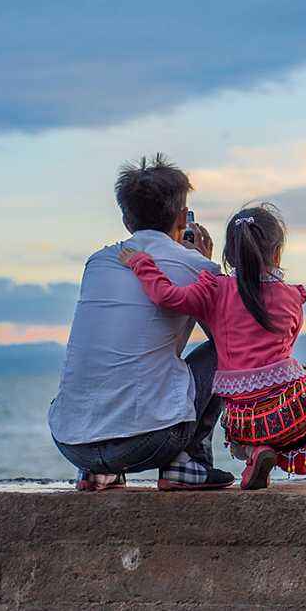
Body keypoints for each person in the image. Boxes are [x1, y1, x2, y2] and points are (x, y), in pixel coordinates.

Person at [118, 202, 306, 490]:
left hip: (245, 418)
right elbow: (285, 343)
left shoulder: (215, 290)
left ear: (229, 254)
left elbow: (168, 297)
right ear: (277, 252)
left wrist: (143, 264)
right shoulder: (292, 297)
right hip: (296, 411)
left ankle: (254, 452)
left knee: (245, 413)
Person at [48, 154, 235, 491]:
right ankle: (190, 462)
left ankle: (97, 470)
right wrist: (205, 264)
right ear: (182, 217)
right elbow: (229, 340)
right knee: (226, 350)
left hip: (71, 443)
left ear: (125, 219)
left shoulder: (98, 262)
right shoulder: (198, 268)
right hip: (151, 441)